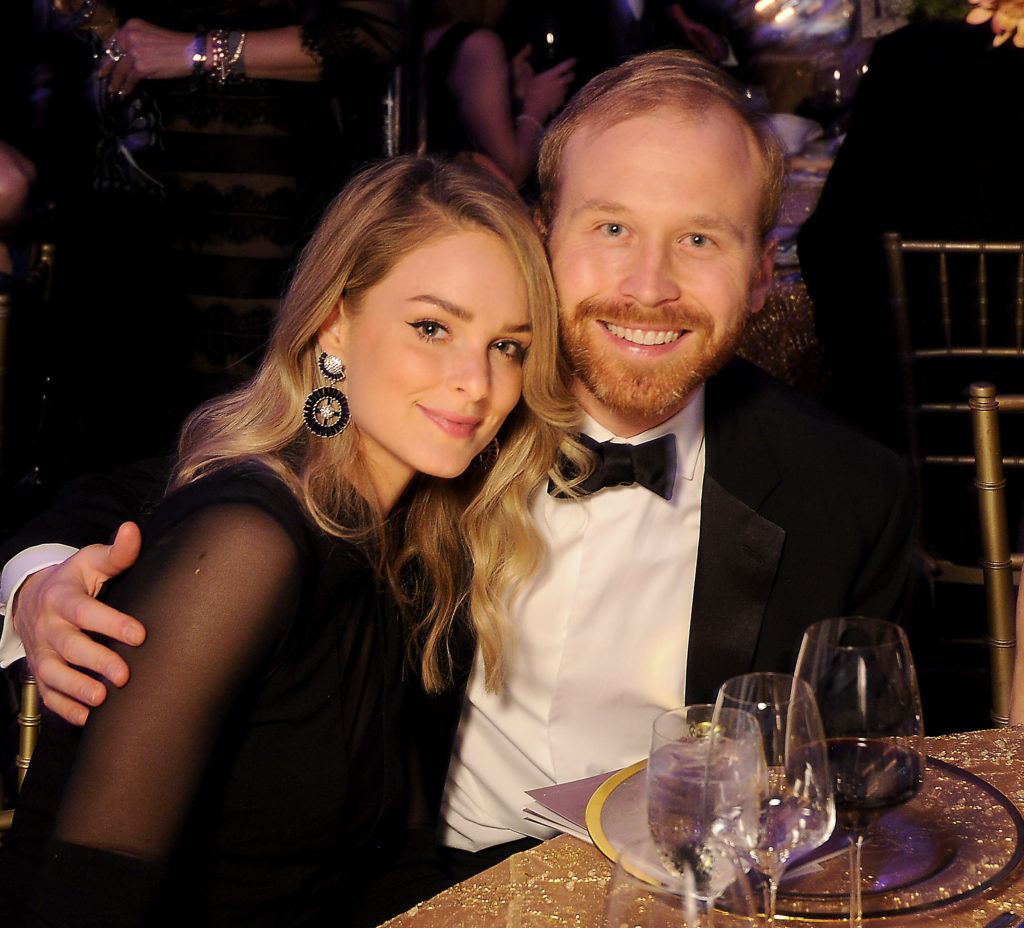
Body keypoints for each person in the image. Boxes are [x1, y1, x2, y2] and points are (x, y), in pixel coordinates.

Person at [1, 50, 915, 883]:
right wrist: (40, 583)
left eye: (701, 240)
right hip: (415, 889)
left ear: (763, 272)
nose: (647, 285)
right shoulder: (442, 416)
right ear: (541, 234)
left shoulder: (853, 495)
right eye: (610, 228)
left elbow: (854, 796)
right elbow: (186, 489)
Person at [0, 154, 582, 926]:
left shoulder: (411, 549)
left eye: (508, 345)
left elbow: (390, 864)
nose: (475, 382)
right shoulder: (248, 545)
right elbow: (86, 903)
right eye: (432, 327)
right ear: (335, 323)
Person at [423, 0, 576, 189]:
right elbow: (510, 174)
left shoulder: (418, 36)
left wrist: (517, 100)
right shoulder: (478, 45)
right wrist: (536, 107)